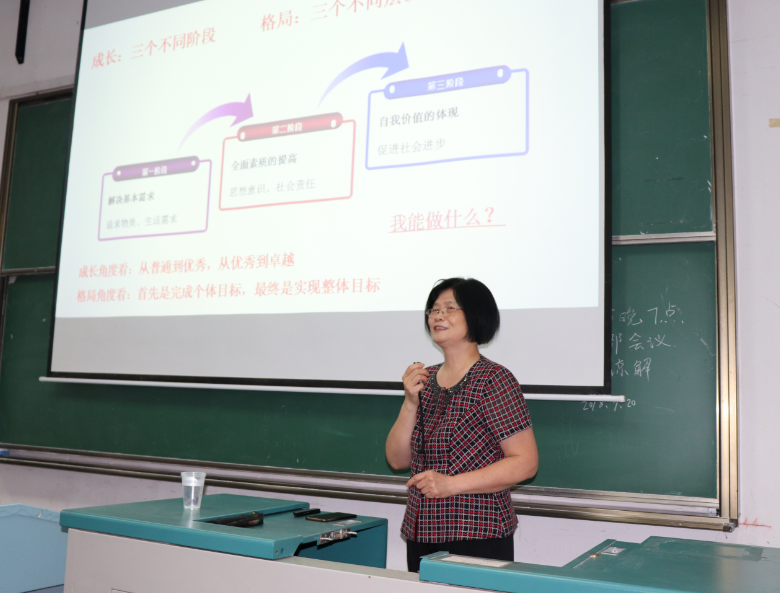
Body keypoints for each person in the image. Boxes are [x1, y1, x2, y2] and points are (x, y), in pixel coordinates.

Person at [385, 277, 538, 573]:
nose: (438, 315)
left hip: (477, 531)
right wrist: (410, 402)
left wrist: (450, 484)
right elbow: (397, 460)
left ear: (476, 316)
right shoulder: (424, 379)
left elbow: (525, 463)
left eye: (450, 308)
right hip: (421, 530)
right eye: (434, 309)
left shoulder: (493, 379)